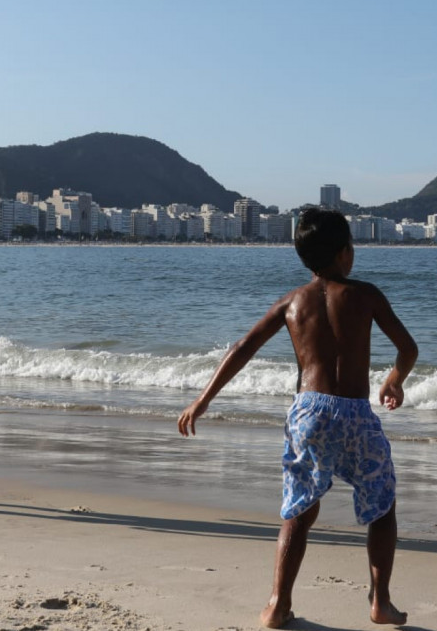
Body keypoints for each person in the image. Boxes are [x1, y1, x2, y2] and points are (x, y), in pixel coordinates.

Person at [178, 208, 417, 628]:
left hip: (308, 411)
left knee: (298, 511)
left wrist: (203, 399)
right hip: (356, 413)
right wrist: (394, 379)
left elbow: (242, 348)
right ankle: (380, 601)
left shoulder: (292, 302)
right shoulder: (365, 294)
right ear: (347, 252)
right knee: (381, 505)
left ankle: (276, 604)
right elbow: (408, 348)